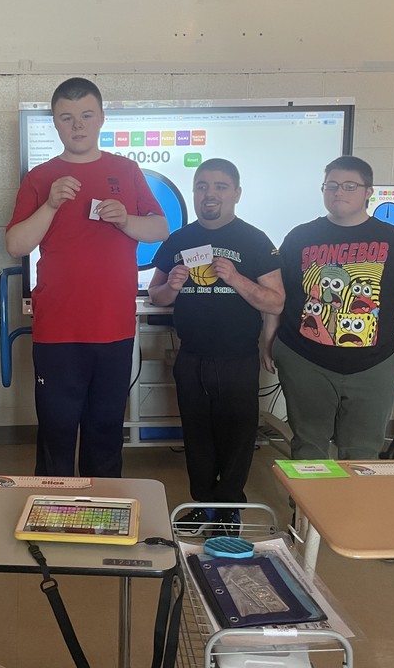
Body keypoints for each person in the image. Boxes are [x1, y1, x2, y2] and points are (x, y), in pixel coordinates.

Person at [6, 77, 168, 477]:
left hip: (113, 328)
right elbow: (16, 245)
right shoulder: (40, 177)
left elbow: (160, 229)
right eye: (67, 117)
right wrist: (49, 205)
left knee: (105, 434)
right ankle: (52, 509)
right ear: (55, 123)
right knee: (56, 435)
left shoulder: (126, 170)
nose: (77, 125)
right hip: (57, 330)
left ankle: (103, 510)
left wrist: (125, 219)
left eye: (86, 115)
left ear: (101, 119)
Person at [262, 155, 394, 460]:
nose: (338, 192)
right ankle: (308, 495)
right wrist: (269, 341)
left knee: (363, 452)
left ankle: (354, 495)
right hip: (305, 360)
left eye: (349, 185)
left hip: (374, 364)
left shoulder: (392, 240)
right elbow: (278, 296)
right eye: (331, 185)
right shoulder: (300, 237)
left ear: (368, 192)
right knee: (308, 446)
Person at [148, 159, 283, 531]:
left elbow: (276, 302)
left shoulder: (255, 240)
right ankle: (204, 504)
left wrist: (235, 277)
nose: (210, 194)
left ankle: (229, 508)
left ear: (236, 193)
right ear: (194, 193)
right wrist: (171, 286)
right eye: (202, 186)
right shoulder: (178, 240)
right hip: (191, 356)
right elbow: (156, 295)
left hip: (238, 358)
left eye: (220, 186)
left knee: (237, 436)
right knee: (196, 436)